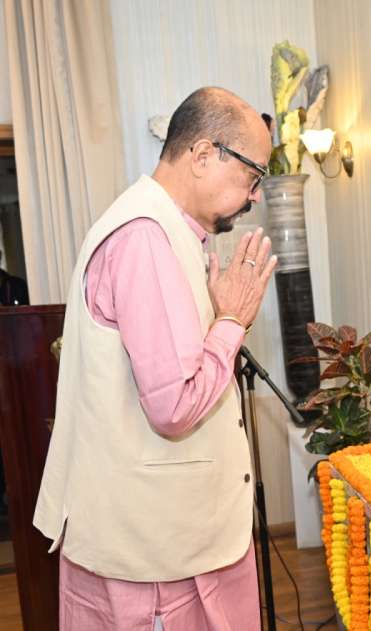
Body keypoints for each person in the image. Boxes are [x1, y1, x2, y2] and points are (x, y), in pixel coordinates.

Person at [33, 87, 277, 631]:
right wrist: (231, 321)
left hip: (171, 535)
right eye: (252, 174)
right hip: (153, 549)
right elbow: (174, 406)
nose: (255, 195)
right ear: (203, 154)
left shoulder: (168, 231)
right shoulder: (145, 238)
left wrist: (219, 318)